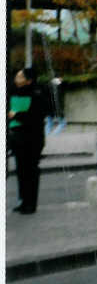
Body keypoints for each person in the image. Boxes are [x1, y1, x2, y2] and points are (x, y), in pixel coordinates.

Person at [7, 67, 49, 214]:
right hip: (17, 136)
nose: (16, 80)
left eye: (20, 77)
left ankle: (31, 203)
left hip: (32, 138)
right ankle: (23, 200)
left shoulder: (37, 93)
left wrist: (16, 115)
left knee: (31, 170)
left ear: (29, 80)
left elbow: (35, 116)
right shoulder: (14, 91)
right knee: (21, 170)